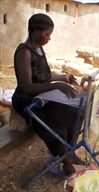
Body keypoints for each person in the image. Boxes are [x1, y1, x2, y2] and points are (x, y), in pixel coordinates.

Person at [11, 13, 83, 176]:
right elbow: (27, 86)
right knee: (56, 124)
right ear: (35, 31)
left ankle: (70, 152)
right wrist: (56, 85)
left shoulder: (39, 48)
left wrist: (63, 78)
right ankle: (64, 162)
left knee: (76, 112)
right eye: (46, 34)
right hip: (26, 100)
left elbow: (43, 77)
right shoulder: (24, 52)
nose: (48, 38)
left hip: (42, 97)